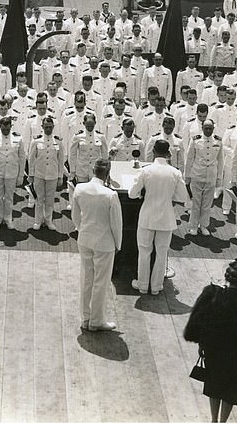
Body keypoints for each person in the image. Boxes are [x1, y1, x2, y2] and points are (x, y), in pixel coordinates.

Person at [184, 260, 237, 423]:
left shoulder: (212, 293)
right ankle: (223, 421)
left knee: (214, 385)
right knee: (230, 391)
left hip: (214, 351)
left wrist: (202, 343)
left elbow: (195, 324)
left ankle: (213, 420)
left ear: (227, 276)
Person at [129, 139, 188, 295]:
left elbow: (132, 193)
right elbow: (183, 196)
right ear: (168, 154)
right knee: (161, 254)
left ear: (153, 152)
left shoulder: (146, 170)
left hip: (147, 216)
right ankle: (156, 287)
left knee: (144, 252)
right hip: (166, 218)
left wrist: (143, 193)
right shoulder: (175, 172)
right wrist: (169, 194)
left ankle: (142, 285)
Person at [72, 158, 122, 331]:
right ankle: (97, 321)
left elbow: (75, 216)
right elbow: (116, 224)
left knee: (86, 279)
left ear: (93, 170)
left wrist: (82, 230)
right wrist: (118, 244)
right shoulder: (110, 194)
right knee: (101, 282)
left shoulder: (80, 188)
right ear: (107, 174)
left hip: (85, 238)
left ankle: (85, 318)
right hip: (104, 242)